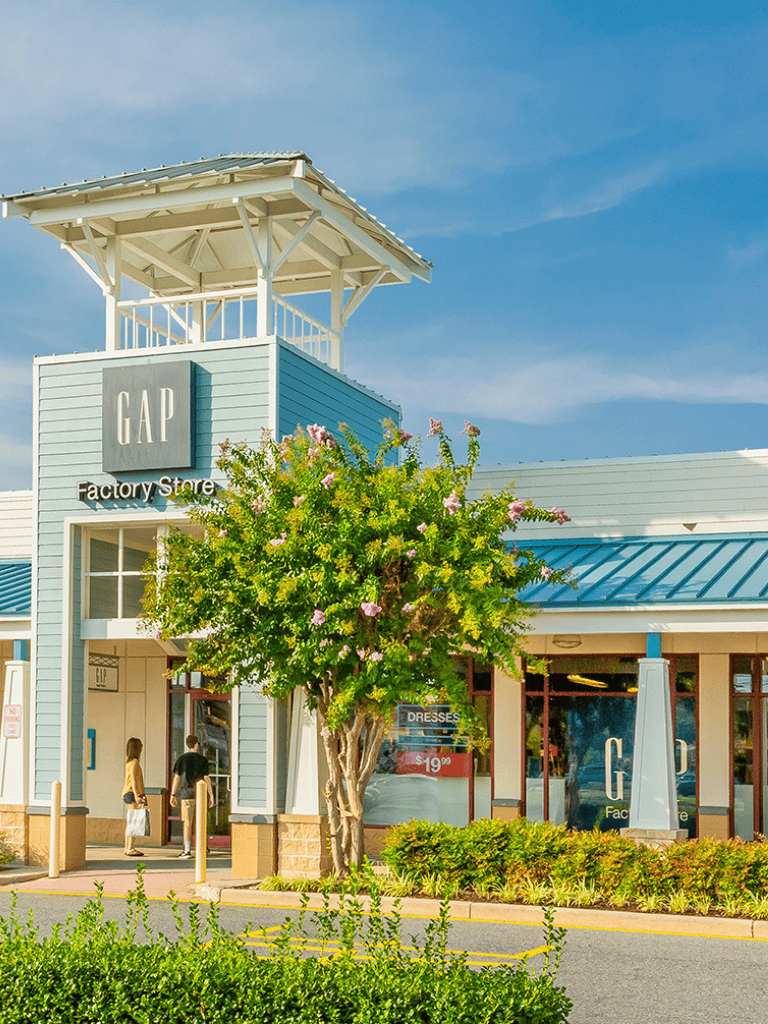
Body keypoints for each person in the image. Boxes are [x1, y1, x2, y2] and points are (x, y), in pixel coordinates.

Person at [169, 734, 214, 859]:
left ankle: (187, 850)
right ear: (196, 744)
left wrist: (173, 794)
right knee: (200, 822)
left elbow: (177, 778)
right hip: (200, 795)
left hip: (186, 794)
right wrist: (211, 795)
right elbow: (206, 778)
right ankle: (202, 847)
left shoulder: (182, 759)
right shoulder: (202, 759)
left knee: (187, 823)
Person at [122, 737, 147, 857]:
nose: (142, 747)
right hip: (132, 793)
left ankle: (127, 847)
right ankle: (130, 847)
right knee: (133, 820)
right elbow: (133, 780)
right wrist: (138, 795)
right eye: (141, 745)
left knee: (130, 821)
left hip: (129, 792)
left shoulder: (129, 762)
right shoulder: (134, 762)